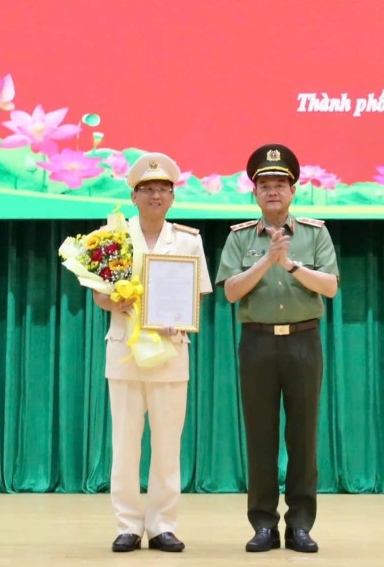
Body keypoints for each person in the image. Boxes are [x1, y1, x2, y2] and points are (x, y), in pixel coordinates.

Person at [215, 144, 339, 553]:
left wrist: (290, 265)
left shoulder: (316, 233)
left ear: (292, 190)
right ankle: (263, 525)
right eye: (264, 184)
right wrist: (266, 261)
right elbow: (231, 292)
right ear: (254, 193)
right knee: (261, 436)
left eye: (280, 184)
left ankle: (301, 524)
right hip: (257, 344)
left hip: (305, 341)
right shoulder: (238, 238)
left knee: (303, 437)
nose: (272, 191)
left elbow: (331, 286)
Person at [92, 152, 212, 554]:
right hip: (124, 353)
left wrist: (178, 315)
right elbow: (98, 295)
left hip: (170, 353)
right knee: (124, 446)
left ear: (173, 197)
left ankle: (162, 525)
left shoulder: (189, 240)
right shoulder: (114, 238)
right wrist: (116, 301)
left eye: (162, 189)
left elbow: (196, 294)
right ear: (134, 195)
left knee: (166, 446)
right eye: (147, 189)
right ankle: (127, 524)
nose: (155, 195)